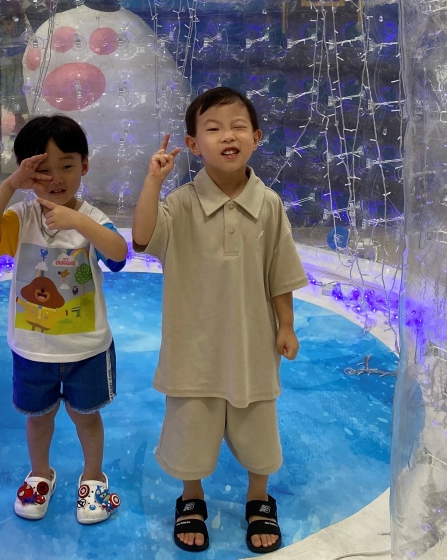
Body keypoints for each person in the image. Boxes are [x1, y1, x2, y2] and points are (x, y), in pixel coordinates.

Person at [131, 87, 308, 554]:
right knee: (191, 422)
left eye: (237, 127)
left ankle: (258, 496)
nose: (227, 136)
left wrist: (286, 325)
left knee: (258, 422)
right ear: (193, 144)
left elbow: (280, 272)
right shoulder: (181, 204)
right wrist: (152, 183)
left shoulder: (268, 204)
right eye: (213, 129)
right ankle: (191, 496)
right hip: (193, 345)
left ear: (256, 137)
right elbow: (142, 238)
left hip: (252, 343)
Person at [0, 115, 128, 525]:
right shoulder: (21, 217)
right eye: (43, 170)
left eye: (67, 166)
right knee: (38, 418)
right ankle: (40, 473)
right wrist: (10, 185)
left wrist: (79, 221)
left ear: (84, 166)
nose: (56, 178)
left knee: (86, 417)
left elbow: (118, 254)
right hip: (32, 348)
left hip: (86, 349)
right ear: (27, 173)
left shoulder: (90, 217)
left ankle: (93, 477)